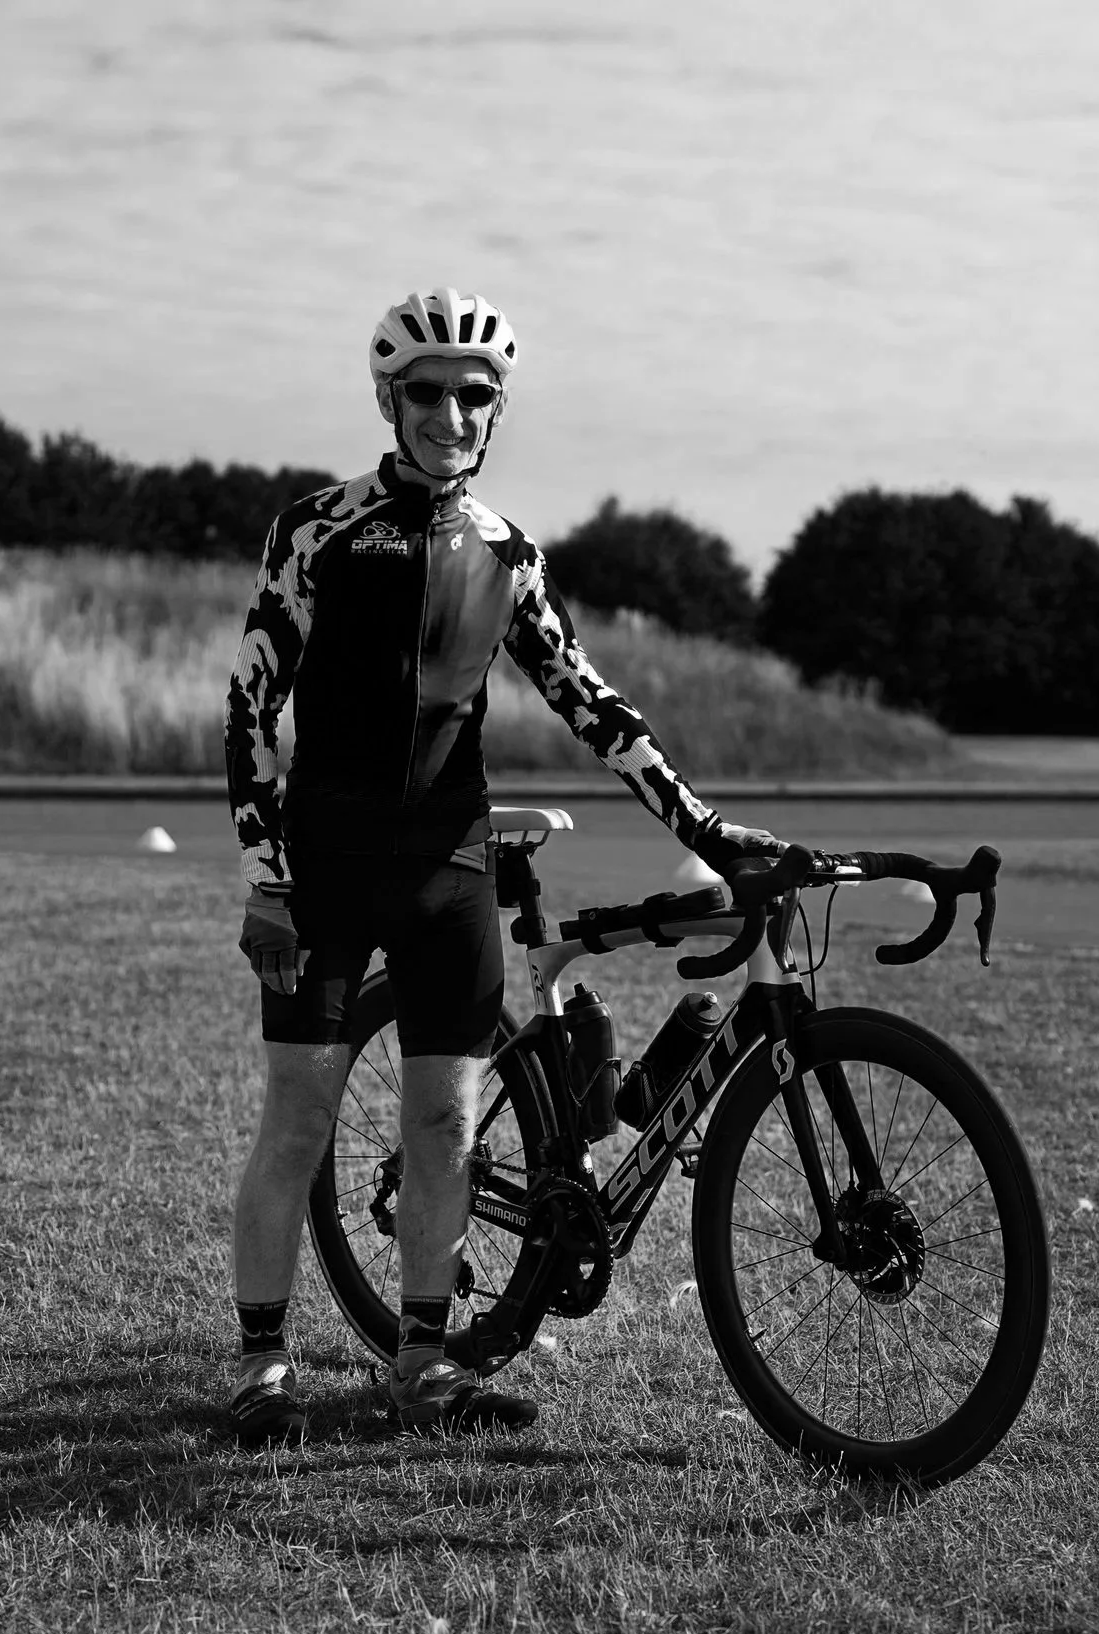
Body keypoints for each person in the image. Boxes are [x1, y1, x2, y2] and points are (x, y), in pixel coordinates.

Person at [221, 288, 784, 1448]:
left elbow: (588, 701)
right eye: (426, 391)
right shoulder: (315, 527)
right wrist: (264, 872)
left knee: (445, 1129)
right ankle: (262, 1365)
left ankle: (423, 1364)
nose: (451, 411)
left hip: (447, 872)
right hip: (325, 869)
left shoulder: (505, 551)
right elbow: (248, 707)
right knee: (297, 1125)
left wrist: (707, 823)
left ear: (494, 411)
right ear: (389, 398)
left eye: (474, 395)